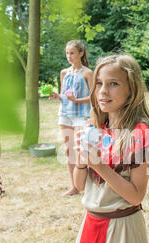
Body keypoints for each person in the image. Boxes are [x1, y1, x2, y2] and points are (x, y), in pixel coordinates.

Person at [64, 54, 149, 243]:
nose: (103, 91)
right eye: (99, 83)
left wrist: (100, 167)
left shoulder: (139, 132)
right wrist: (83, 162)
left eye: (113, 83)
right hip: (92, 224)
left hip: (121, 229)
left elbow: (136, 196)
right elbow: (79, 185)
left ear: (132, 89)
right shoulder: (95, 127)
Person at [50, 40, 93, 196]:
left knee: (83, 151)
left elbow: (94, 96)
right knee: (69, 151)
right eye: (67, 53)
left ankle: (88, 185)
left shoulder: (88, 73)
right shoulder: (64, 73)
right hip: (65, 115)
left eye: (72, 53)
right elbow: (64, 95)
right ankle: (74, 187)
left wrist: (78, 100)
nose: (69, 56)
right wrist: (56, 96)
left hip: (81, 116)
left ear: (81, 53)